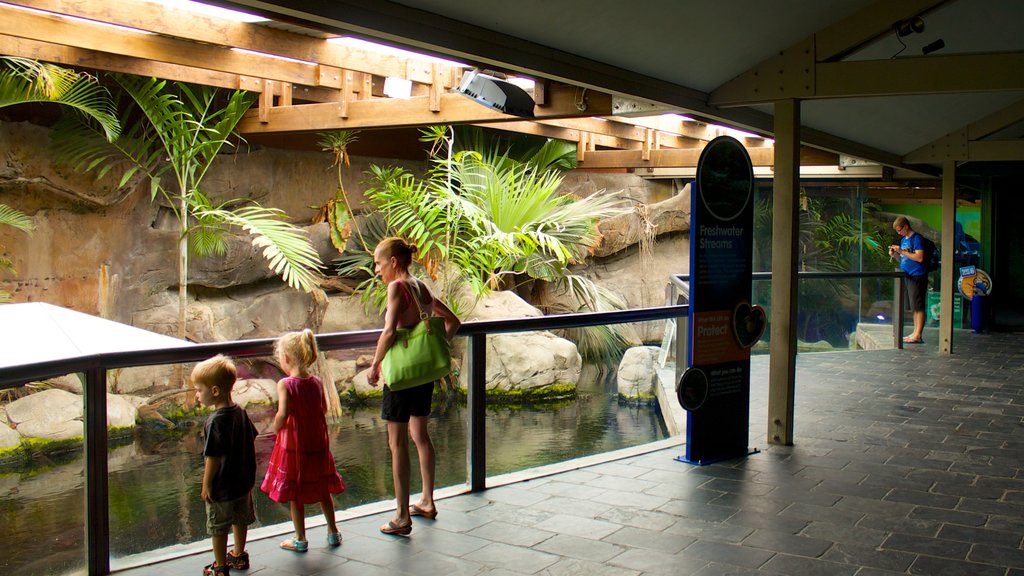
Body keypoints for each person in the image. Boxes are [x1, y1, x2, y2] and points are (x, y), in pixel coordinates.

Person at [367, 237, 460, 536]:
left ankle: (401, 516)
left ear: (393, 262)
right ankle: (427, 502)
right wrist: (432, 346)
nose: (377, 270)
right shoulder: (421, 287)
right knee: (420, 435)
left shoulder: (397, 287)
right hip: (424, 374)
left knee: (397, 445)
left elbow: (389, 331)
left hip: (402, 376)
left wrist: (374, 365)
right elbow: (453, 321)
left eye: (379, 263)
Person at [260, 329, 346, 552]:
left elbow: (283, 413)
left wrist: (275, 426)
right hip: (316, 443)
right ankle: (333, 532)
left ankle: (300, 538)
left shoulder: (285, 384)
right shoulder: (316, 381)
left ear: (287, 358)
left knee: (295, 490)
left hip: (294, 446)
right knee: (323, 487)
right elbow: (324, 408)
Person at [192, 354, 259, 576]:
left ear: (215, 391)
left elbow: (212, 456)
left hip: (222, 486)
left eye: (199, 390)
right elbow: (251, 437)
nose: (196, 395)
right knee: (241, 519)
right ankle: (239, 554)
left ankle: (219, 566)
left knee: (218, 526)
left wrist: (206, 484)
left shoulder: (215, 421)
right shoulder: (239, 411)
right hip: (242, 482)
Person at [889, 215, 927, 344]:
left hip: (917, 275)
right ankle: (915, 332)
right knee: (913, 306)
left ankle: (918, 334)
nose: (899, 233)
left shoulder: (917, 238)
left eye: (900, 230)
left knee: (918, 305)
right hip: (907, 275)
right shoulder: (904, 240)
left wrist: (902, 252)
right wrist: (896, 254)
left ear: (906, 226)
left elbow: (919, 257)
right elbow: (904, 259)